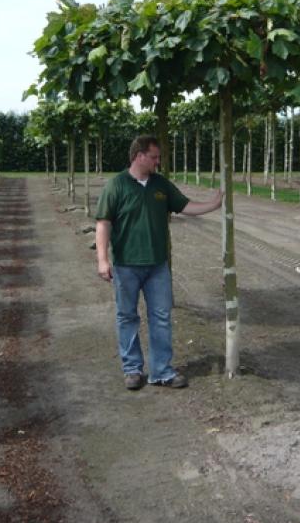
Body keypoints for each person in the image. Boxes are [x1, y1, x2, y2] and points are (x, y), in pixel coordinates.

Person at [95, 134, 223, 391]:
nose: (158, 162)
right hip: (126, 265)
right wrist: (102, 259)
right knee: (127, 316)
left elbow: (185, 206)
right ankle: (132, 369)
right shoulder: (116, 186)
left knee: (161, 317)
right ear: (139, 156)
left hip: (158, 266)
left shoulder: (161, 185)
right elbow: (103, 223)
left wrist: (214, 204)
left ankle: (161, 371)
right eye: (154, 157)